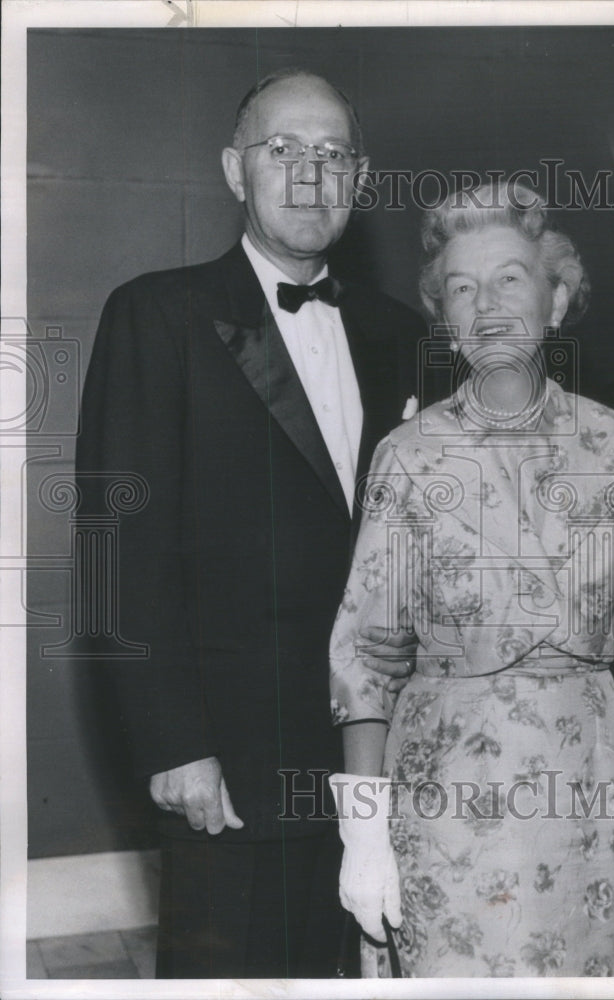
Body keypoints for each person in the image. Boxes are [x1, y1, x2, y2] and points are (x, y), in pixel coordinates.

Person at [75, 69, 426, 978]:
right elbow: (120, 550)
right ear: (235, 171)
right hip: (228, 759)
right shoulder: (156, 314)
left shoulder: (400, 332)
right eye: (284, 151)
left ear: (360, 177)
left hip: (380, 752)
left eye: (332, 154)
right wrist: (173, 744)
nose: (310, 175)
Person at [328, 180, 614, 977]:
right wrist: (361, 830)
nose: (487, 304)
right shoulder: (409, 457)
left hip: (590, 790)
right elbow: (366, 659)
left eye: (510, 277)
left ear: (557, 300)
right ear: (445, 320)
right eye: (462, 288)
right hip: (446, 798)